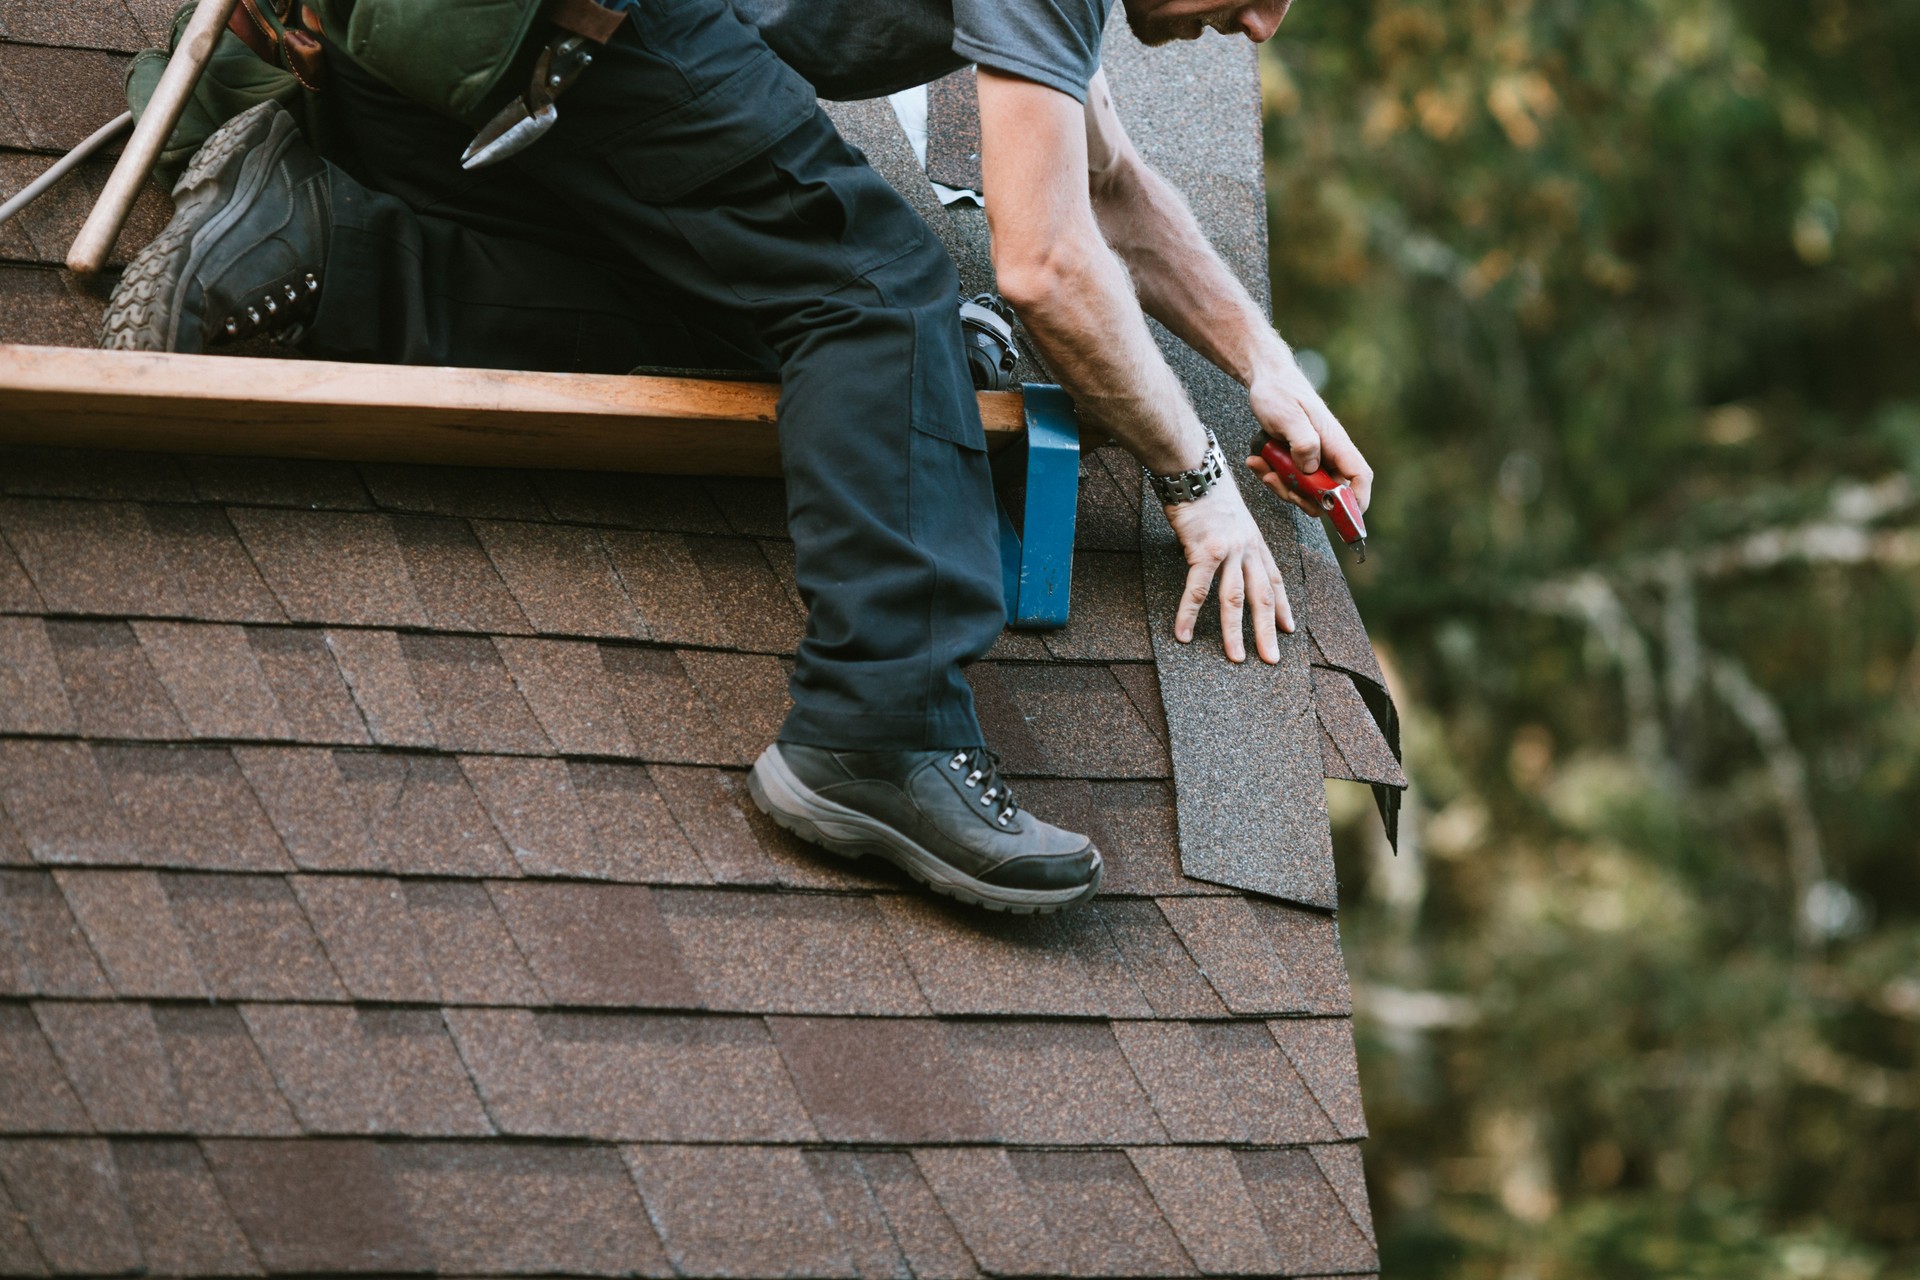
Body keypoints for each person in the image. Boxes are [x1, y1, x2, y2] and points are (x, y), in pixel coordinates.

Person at [101, 0, 1371, 913]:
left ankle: (327, 255)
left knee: (759, 313)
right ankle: (879, 730)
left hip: (424, 71)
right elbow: (1041, 263)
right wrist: (1198, 483)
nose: (1263, 25)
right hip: (577, 29)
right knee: (874, 298)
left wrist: (1263, 360)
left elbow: (1107, 180)